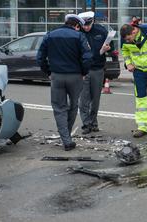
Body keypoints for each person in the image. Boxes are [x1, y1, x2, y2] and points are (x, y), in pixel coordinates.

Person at [37, 14, 92, 151]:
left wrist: (48, 72)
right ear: (77, 25)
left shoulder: (50, 35)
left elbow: (40, 57)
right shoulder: (79, 36)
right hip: (75, 77)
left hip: (57, 76)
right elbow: (87, 57)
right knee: (73, 106)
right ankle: (67, 137)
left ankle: (66, 139)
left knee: (59, 108)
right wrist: (84, 72)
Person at [78, 11, 113, 135]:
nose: (86, 27)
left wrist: (108, 49)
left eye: (88, 24)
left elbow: (111, 47)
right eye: (84, 25)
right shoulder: (77, 32)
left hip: (98, 69)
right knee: (84, 100)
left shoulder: (101, 31)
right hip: (83, 70)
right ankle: (86, 124)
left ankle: (94, 122)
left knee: (95, 99)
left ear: (93, 21)